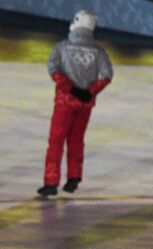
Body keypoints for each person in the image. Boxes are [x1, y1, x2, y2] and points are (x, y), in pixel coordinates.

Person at [37, 9, 111, 199]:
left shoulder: (61, 47)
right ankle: (74, 178)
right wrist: (90, 92)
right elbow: (107, 75)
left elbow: (53, 69)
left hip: (65, 102)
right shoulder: (99, 51)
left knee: (56, 141)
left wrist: (70, 88)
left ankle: (51, 182)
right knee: (77, 140)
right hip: (85, 104)